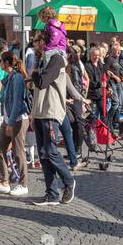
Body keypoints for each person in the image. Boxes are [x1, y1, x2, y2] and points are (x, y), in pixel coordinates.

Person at [29, 30, 75, 206]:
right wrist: (33, 112)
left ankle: (69, 181)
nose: (35, 45)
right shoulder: (42, 60)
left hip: (51, 110)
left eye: (37, 42)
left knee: (51, 151)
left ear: (46, 42)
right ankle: (51, 194)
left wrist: (32, 72)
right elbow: (36, 90)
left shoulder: (56, 59)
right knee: (43, 154)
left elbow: (42, 82)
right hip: (40, 111)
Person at [0, 52, 30, 197]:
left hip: (18, 119)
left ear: (6, 62)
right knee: (0, 147)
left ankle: (23, 184)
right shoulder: (9, 77)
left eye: (1, 61)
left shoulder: (17, 78)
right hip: (9, 119)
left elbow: (17, 101)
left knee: (18, 152)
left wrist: (11, 122)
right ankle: (4, 182)